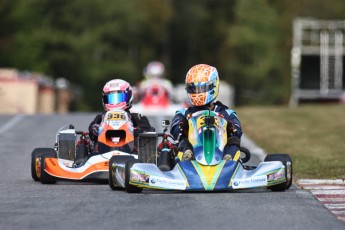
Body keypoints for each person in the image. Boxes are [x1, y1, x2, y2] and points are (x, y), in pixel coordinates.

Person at [170, 64, 242, 161]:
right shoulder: (184, 113)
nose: (198, 93)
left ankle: (229, 159)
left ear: (214, 85)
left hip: (220, 153)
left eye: (202, 88)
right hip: (193, 154)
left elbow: (237, 129)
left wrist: (230, 128)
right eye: (194, 89)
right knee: (182, 140)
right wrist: (182, 126)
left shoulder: (226, 112)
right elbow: (175, 127)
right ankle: (187, 154)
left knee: (234, 141)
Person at [88, 79, 154, 153]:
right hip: (101, 154)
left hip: (132, 155)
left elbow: (149, 133)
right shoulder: (100, 118)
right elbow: (91, 130)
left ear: (129, 96)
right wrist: (94, 129)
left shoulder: (137, 118)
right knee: (84, 141)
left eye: (120, 97)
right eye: (111, 98)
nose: (115, 102)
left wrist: (138, 131)